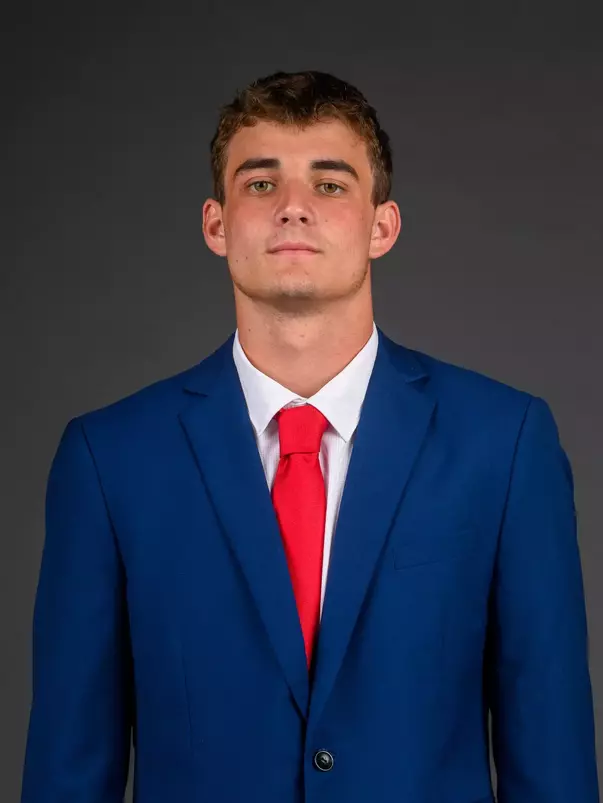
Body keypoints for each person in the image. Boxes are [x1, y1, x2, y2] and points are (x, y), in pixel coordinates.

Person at [20, 70, 599, 803]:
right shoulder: (111, 460)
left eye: (329, 185)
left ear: (381, 225)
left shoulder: (503, 444)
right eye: (260, 184)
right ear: (215, 223)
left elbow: (551, 760)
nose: (293, 208)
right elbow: (68, 770)